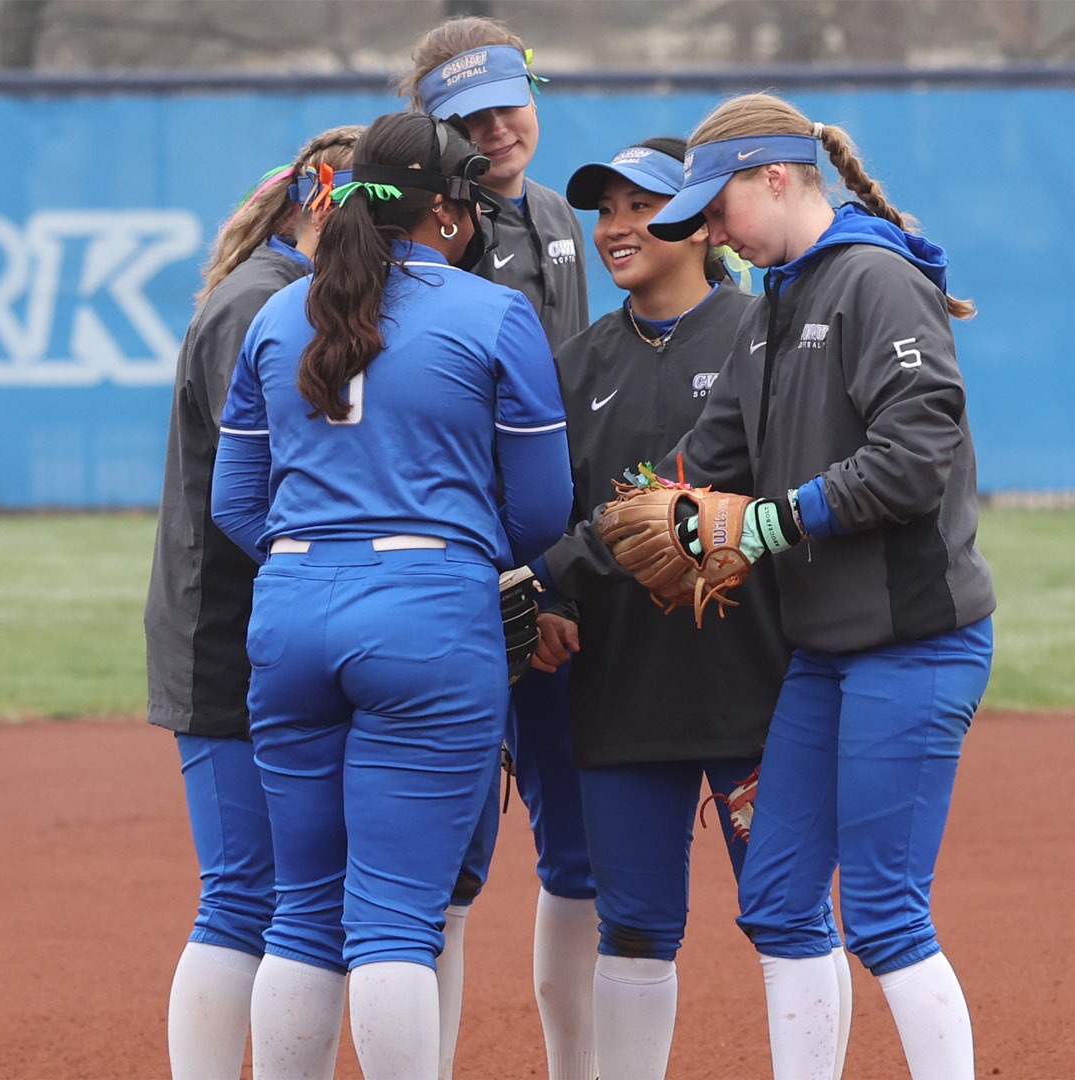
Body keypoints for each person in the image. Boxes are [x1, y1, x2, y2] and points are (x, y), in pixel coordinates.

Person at [613, 92, 996, 1080]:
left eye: (717, 206)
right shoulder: (777, 300)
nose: (708, 231)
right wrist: (631, 522)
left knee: (882, 912)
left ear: (775, 179)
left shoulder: (875, 280)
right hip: (827, 653)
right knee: (779, 899)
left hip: (913, 642)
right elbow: (709, 462)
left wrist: (777, 521)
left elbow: (916, 456)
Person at [209, 110, 572, 1080]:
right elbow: (542, 511)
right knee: (395, 922)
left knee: (302, 911)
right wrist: (446, 559)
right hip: (428, 613)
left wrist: (318, 555)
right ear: (451, 212)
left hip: (290, 608)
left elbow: (236, 505)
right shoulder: (495, 314)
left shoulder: (278, 314)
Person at [534, 137, 854, 1080]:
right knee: (632, 926)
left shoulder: (766, 332)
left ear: (702, 222)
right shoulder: (575, 364)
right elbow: (549, 510)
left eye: (643, 207)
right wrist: (546, 592)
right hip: (622, 680)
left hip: (754, 680)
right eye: (605, 212)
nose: (618, 228)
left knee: (790, 913)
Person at [400, 17, 596, 1080]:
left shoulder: (562, 215)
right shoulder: (444, 228)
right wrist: (519, 572)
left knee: (578, 849)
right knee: (444, 865)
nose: (494, 129)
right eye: (465, 119)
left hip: (551, 563)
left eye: (506, 103)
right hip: (470, 573)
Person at [143, 124, 360, 1080]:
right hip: (228, 633)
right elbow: (269, 490)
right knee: (243, 893)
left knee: (285, 894)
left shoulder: (281, 296)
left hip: (269, 624)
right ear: (324, 204)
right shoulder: (257, 307)